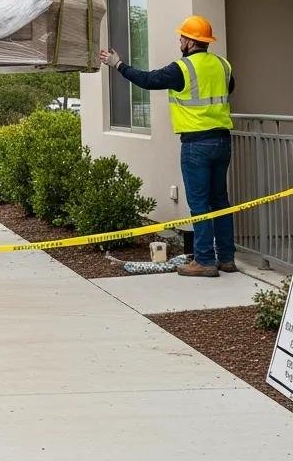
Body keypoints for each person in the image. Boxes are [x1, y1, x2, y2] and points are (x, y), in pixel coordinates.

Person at [99, 15, 236, 278]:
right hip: (222, 140)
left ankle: (205, 261)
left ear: (190, 42)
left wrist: (118, 65)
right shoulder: (223, 64)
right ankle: (226, 258)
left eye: (182, 37)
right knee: (221, 201)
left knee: (200, 204)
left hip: (196, 143)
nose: (180, 40)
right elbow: (229, 89)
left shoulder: (182, 68)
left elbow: (149, 80)